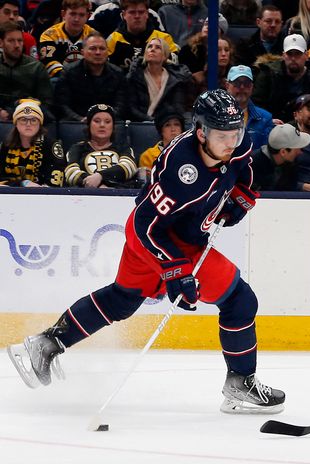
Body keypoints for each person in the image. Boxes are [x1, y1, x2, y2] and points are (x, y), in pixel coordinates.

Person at [7, 89, 286, 415]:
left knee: (122, 299)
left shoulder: (237, 144)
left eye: (236, 133)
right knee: (240, 300)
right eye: (223, 135)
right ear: (201, 132)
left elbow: (244, 168)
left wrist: (242, 196)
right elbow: (145, 226)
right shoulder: (180, 170)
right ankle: (241, 382)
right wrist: (176, 270)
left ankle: (46, 344)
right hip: (156, 239)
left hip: (176, 236)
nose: (231, 141)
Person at [251, 33, 310, 123]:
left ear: (306, 56)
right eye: (289, 54)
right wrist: (268, 121)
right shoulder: (268, 75)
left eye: (298, 54)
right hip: (272, 126)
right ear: (283, 56)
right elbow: (256, 106)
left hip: (306, 127)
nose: (293, 58)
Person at [53, 31, 127, 121]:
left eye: (102, 48)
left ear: (107, 52)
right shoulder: (69, 72)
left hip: (109, 123)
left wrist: (106, 119)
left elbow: (121, 105)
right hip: (77, 123)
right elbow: (62, 105)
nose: (98, 52)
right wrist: (80, 119)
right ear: (83, 52)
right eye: (93, 48)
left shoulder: (117, 73)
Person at [64, 103, 138, 188]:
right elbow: (71, 172)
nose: (102, 125)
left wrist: (101, 176)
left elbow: (129, 167)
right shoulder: (77, 148)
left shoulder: (123, 147)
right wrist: (95, 184)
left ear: (113, 127)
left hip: (118, 193)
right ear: (89, 125)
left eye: (107, 122)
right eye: (97, 121)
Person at [0, 99, 65, 187]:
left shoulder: (51, 145)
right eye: (23, 120)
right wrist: (23, 183)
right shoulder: (5, 146)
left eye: (33, 120)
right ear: (16, 123)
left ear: (40, 124)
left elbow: (56, 178)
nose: (28, 124)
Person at [126, 36, 192, 121]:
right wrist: (150, 120)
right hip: (139, 124)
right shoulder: (134, 76)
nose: (152, 49)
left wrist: (161, 122)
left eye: (158, 47)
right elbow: (131, 108)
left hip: (165, 123)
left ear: (165, 56)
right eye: (150, 47)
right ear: (145, 53)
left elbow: (177, 108)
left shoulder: (175, 80)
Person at [0, 21, 53, 121]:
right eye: (11, 41)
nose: (17, 45)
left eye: (20, 41)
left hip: (29, 118)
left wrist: (14, 113)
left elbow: (47, 103)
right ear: (1, 42)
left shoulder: (36, 68)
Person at [107, 0, 179, 70]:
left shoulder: (164, 38)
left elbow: (175, 68)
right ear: (123, 15)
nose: (137, 16)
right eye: (132, 12)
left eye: (141, 12)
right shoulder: (113, 40)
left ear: (147, 14)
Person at [37, 0, 93, 78]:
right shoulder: (49, 35)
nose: (77, 19)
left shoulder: (93, 36)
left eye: (81, 15)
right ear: (63, 14)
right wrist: (68, 77)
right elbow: (48, 61)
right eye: (73, 14)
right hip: (59, 79)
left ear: (87, 16)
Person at [225, 65, 274, 149]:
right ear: (227, 86)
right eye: (237, 83)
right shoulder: (215, 115)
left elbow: (265, 154)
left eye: (246, 83)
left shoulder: (265, 118)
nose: (242, 87)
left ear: (252, 87)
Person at [250, 122, 310, 190]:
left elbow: (290, 187)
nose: (300, 152)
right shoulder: (249, 166)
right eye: (299, 148)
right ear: (283, 152)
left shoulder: (290, 162)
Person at [187, 35, 236, 109]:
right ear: (208, 54)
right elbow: (189, 108)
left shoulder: (235, 79)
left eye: (226, 50)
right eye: (218, 50)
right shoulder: (197, 79)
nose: (223, 54)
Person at [138, 105, 185, 179]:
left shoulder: (193, 153)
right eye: (167, 125)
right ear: (161, 131)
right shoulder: (148, 156)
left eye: (176, 124)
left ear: (182, 129)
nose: (173, 129)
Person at [178, 14, 229, 80]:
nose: (208, 27)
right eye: (206, 24)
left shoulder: (226, 50)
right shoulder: (188, 49)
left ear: (221, 33)